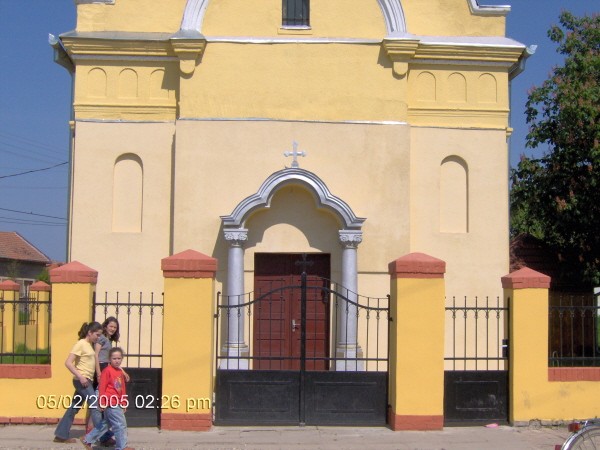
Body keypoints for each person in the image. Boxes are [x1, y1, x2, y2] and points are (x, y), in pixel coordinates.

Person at [53, 322, 105, 444]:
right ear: (90, 333)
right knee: (95, 406)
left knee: (74, 407)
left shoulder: (89, 345)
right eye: (97, 335)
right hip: (82, 381)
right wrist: (81, 377)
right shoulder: (81, 344)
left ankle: (60, 435)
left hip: (87, 381)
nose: (98, 338)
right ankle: (103, 437)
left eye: (100, 335)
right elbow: (68, 362)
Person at [81, 347, 134, 450]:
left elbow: (122, 388)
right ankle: (121, 447)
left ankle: (87, 439)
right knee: (120, 425)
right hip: (111, 402)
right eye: (114, 358)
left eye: (119, 358)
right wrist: (102, 402)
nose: (117, 361)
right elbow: (102, 387)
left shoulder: (120, 372)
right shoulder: (107, 371)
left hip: (117, 402)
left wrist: (123, 402)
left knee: (105, 424)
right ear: (109, 359)